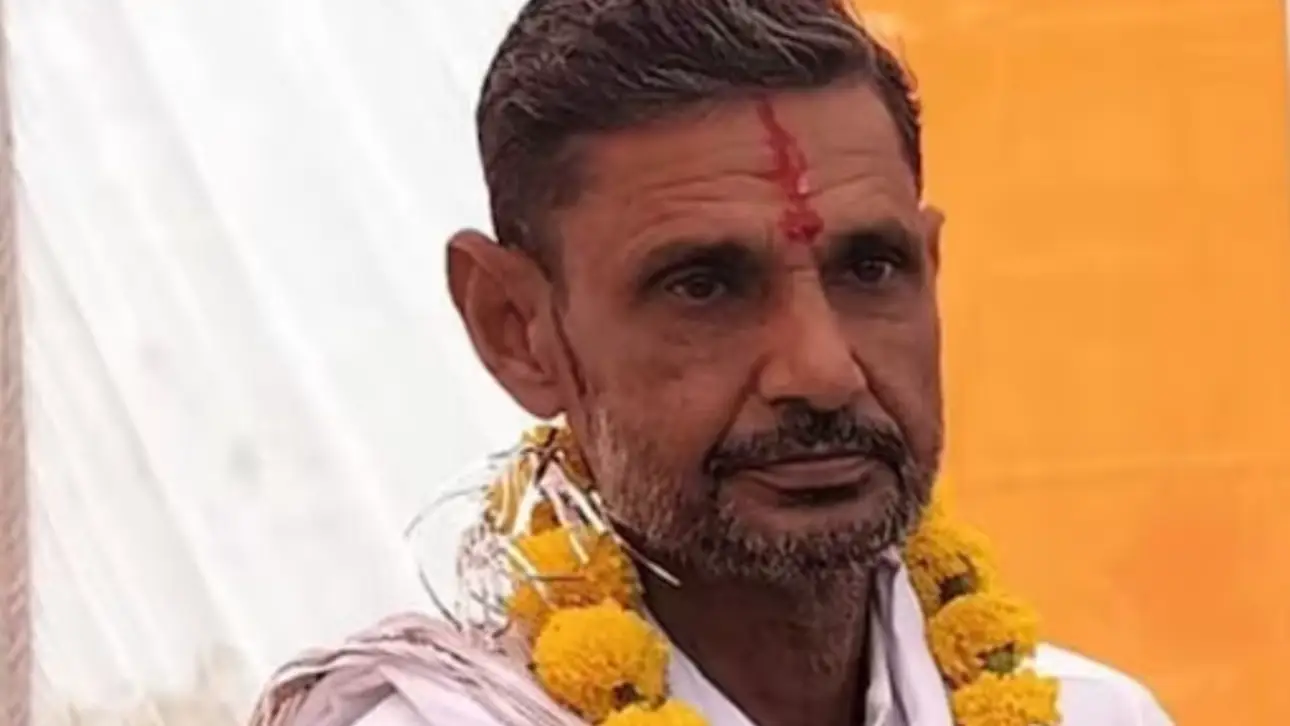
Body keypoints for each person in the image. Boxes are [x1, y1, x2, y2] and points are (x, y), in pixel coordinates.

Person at [248, 1, 1174, 725]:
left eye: (869, 268)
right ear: (516, 329)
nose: (823, 371)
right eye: (704, 285)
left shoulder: (1095, 716)